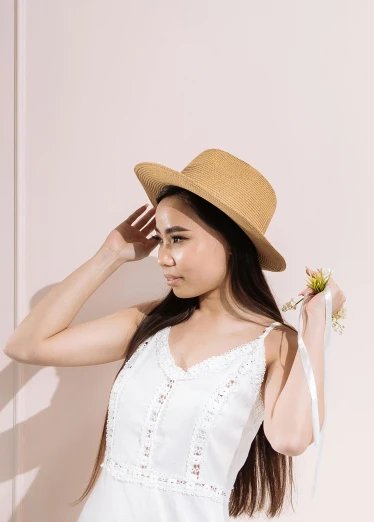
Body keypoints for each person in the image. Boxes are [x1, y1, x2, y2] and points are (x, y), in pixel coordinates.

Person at [3, 149, 346, 521]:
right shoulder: (150, 322)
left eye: (178, 239)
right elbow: (27, 344)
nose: (163, 256)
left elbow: (291, 439)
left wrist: (316, 323)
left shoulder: (276, 344)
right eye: (160, 239)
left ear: (231, 242)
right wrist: (110, 255)